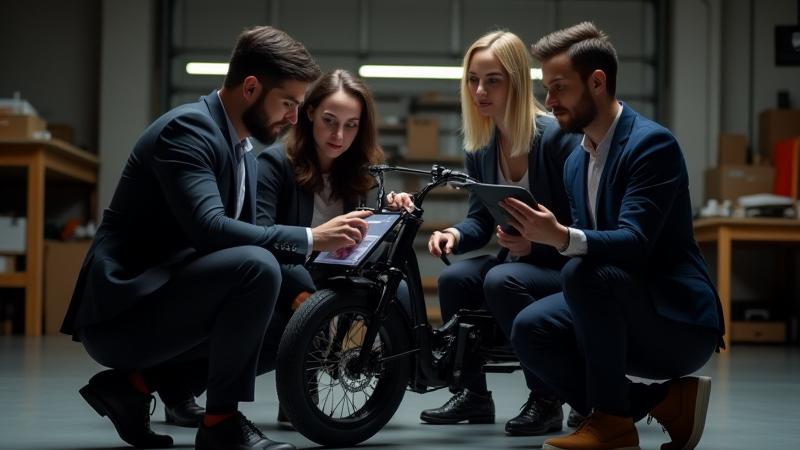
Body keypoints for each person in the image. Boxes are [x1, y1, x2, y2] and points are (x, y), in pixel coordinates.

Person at [60, 26, 369, 450]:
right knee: (256, 268)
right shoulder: (188, 130)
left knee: (289, 324)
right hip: (123, 314)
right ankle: (221, 423)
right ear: (251, 88)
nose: (295, 118)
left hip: (168, 300)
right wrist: (311, 237)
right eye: (288, 104)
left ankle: (132, 389)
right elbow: (210, 229)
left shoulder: (240, 149)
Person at [497, 22, 725, 450]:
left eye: (559, 87)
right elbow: (590, 247)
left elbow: (636, 242)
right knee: (529, 328)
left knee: (582, 275)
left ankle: (612, 425)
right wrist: (540, 238)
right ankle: (663, 402)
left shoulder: (652, 145)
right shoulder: (575, 163)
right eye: (547, 88)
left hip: (676, 321)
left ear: (597, 82)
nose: (549, 101)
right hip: (623, 305)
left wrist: (561, 236)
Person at [406, 30, 582, 436]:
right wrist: (454, 233)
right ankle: (473, 394)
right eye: (473, 79)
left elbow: (583, 223)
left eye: (492, 80)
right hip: (518, 260)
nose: (480, 90)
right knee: (454, 278)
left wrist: (538, 240)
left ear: (517, 82)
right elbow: (480, 220)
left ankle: (546, 398)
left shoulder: (556, 139)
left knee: (502, 279)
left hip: (563, 264)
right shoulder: (481, 147)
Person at [253, 68, 385, 428]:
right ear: (309, 112)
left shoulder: (356, 174)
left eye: (351, 125)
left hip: (331, 275)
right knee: (306, 301)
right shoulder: (275, 164)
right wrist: (303, 282)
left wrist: (391, 209)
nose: (339, 135)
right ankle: (298, 392)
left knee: (396, 290)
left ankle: (395, 377)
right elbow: (261, 235)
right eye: (329, 121)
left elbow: (359, 240)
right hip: (283, 275)